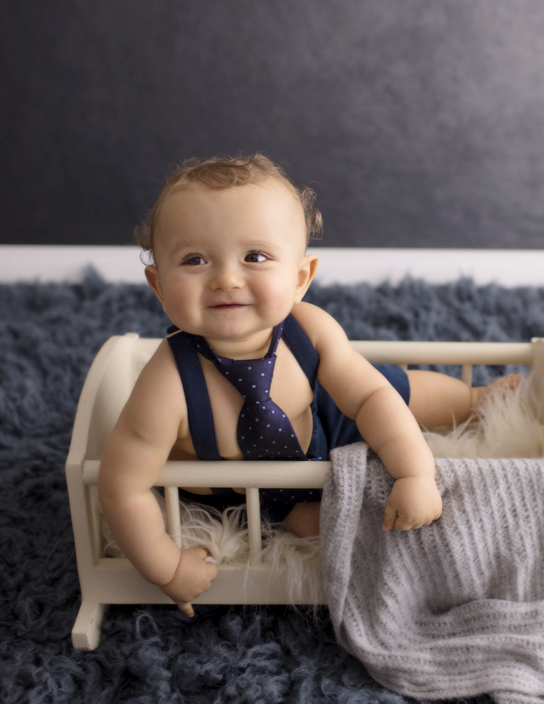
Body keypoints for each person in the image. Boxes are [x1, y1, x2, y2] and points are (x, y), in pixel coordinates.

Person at [98, 155, 517, 616]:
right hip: (258, 490)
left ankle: (476, 398)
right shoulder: (167, 383)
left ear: (300, 279)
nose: (226, 278)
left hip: (318, 419)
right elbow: (123, 486)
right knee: (328, 532)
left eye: (254, 257)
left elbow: (372, 396)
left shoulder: (308, 329)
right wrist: (167, 568)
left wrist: (414, 472)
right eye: (195, 259)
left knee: (399, 390)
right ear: (158, 286)